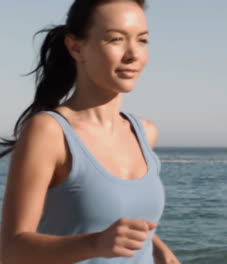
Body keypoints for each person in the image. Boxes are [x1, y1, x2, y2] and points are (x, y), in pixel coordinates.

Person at [0, 0, 179, 263]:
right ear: (76, 47)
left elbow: (125, 225)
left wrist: (159, 250)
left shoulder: (145, 132)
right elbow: (10, 250)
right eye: (116, 39)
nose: (133, 54)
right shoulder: (49, 132)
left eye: (142, 40)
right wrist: (94, 243)